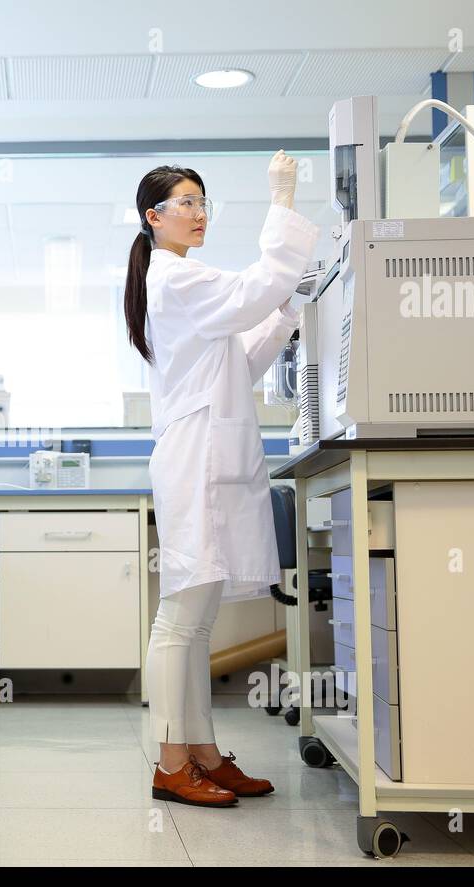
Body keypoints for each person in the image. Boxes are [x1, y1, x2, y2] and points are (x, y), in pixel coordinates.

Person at [124, 152, 318, 807]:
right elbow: (252, 289)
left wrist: (290, 305)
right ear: (154, 217)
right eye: (185, 202)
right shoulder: (175, 276)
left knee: (197, 625)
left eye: (203, 201)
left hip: (209, 455)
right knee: (179, 622)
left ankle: (202, 755)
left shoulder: (183, 279)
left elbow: (244, 355)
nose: (199, 212)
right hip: (193, 459)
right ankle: (170, 764)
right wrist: (283, 199)